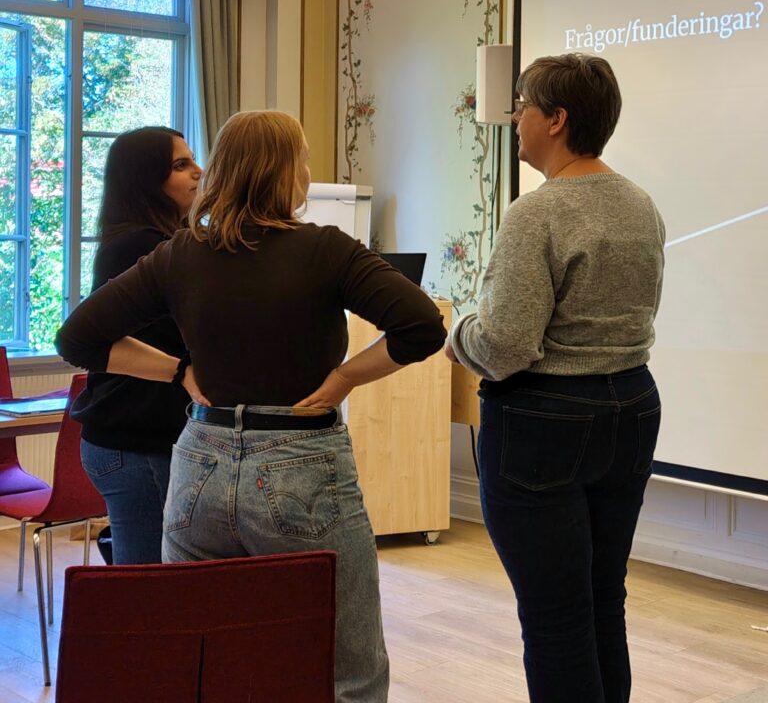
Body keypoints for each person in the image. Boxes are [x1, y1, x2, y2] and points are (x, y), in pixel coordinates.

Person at [56, 109, 447, 703]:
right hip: (300, 464)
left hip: (199, 466)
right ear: (289, 171)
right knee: (346, 671)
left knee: (203, 659)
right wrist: (345, 378)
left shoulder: (181, 253)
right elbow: (421, 326)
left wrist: (178, 372)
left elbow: (77, 339)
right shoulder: (326, 250)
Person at [445, 53, 665, 703]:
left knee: (555, 620)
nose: (515, 119)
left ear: (556, 120)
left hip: (545, 423)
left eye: (522, 106)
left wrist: (456, 334)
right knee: (602, 601)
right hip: (631, 408)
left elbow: (505, 346)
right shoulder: (641, 204)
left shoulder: (536, 214)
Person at [71, 126, 202, 564]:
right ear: (147, 180)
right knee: (148, 584)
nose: (198, 171)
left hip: (140, 438)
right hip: (137, 441)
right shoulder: (139, 246)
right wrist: (182, 371)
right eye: (181, 165)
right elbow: (94, 338)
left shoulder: (158, 241)